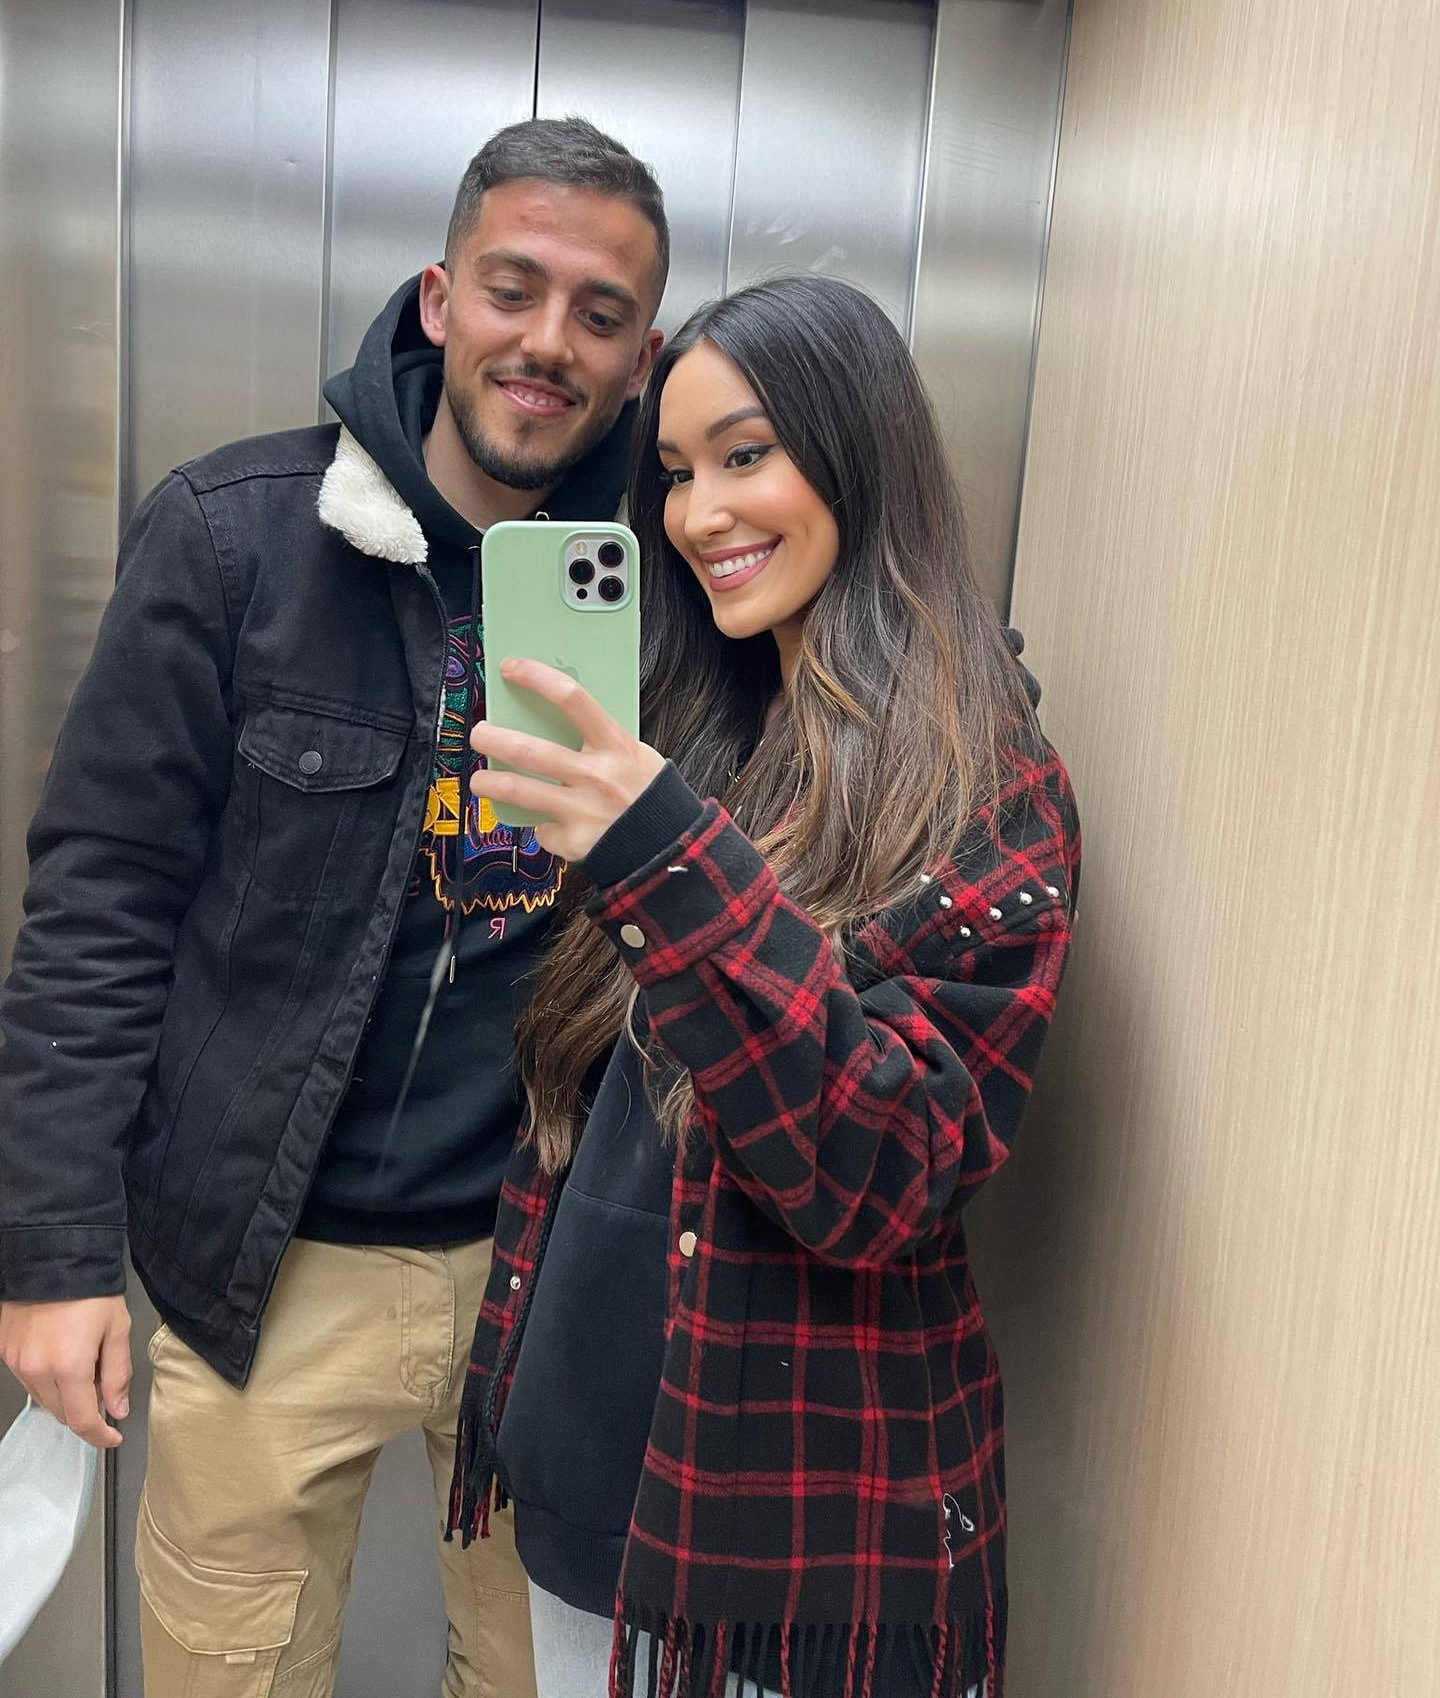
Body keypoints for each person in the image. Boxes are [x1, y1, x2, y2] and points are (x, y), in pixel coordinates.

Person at [0, 115, 668, 1697]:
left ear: (642, 358)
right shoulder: (234, 537)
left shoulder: (673, 580)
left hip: (550, 1268)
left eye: (601, 314)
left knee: (543, 1680)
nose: (549, 343)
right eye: (517, 287)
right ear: (439, 297)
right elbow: (100, 903)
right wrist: (51, 1251)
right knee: (230, 1672)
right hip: (264, 1264)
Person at [447, 276, 1083, 1698]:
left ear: (857, 456)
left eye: (746, 456)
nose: (696, 515)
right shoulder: (710, 734)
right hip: (594, 1486)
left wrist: (662, 852)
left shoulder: (983, 788)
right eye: (672, 473)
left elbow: (883, 1172)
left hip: (793, 1544)